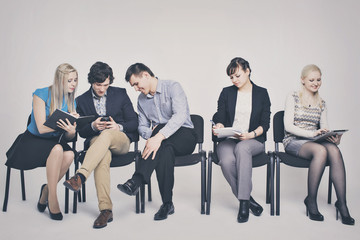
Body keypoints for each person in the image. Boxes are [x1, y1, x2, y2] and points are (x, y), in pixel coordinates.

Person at [117, 63, 197, 221]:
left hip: (185, 136)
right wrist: (153, 135)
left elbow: (180, 116)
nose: (136, 89)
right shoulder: (141, 100)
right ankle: (167, 204)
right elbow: (141, 127)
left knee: (160, 133)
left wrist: (158, 135)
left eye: (136, 84)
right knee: (164, 150)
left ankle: (136, 180)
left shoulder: (173, 87)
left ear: (146, 75)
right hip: (162, 144)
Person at [63, 61, 138, 228]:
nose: (102, 89)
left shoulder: (120, 94)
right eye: (98, 85)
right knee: (102, 156)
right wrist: (92, 126)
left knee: (106, 134)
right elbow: (82, 131)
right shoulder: (81, 100)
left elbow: (134, 122)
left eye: (106, 84)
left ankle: (80, 176)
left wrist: (118, 127)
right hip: (97, 145)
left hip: (120, 141)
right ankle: (106, 210)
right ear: (91, 82)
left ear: (110, 81)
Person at [283, 64, 355, 225]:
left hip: (314, 140)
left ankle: (342, 204)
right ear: (302, 80)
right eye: (311, 80)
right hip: (294, 141)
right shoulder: (293, 96)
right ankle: (311, 200)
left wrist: (333, 138)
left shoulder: (322, 103)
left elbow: (323, 128)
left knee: (334, 150)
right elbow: (288, 126)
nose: (315, 83)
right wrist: (311, 134)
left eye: (318, 80)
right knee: (321, 151)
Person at [5, 63, 78, 221]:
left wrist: (71, 132)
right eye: (70, 80)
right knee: (58, 149)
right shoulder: (41, 94)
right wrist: (63, 126)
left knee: (70, 154)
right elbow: (40, 128)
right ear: (60, 81)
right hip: (31, 141)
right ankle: (53, 198)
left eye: (75, 80)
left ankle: (46, 190)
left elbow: (68, 138)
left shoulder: (72, 101)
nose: (73, 84)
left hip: (54, 142)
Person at [212, 57, 271, 223]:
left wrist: (250, 135)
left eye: (237, 75)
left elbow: (265, 124)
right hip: (229, 139)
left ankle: (243, 204)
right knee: (226, 161)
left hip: (253, 140)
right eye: (231, 77)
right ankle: (249, 200)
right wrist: (220, 126)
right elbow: (220, 115)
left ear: (248, 71)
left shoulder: (262, 93)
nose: (234, 80)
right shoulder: (226, 92)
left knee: (242, 148)